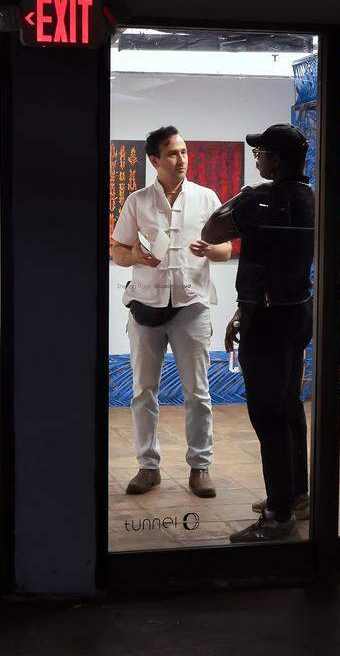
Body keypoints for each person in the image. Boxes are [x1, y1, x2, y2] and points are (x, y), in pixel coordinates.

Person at [201, 123, 315, 542]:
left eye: (261, 154)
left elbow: (212, 230)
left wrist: (247, 195)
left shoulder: (259, 200)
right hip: (294, 312)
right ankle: (297, 495)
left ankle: (279, 515)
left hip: (266, 322)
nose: (257, 159)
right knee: (287, 406)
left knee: (267, 416)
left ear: (277, 161)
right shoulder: (309, 198)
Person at [111, 125, 232, 498]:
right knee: (143, 391)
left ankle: (200, 467)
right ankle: (148, 467)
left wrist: (211, 251)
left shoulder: (207, 198)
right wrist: (134, 255)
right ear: (154, 160)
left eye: (184, 152)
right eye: (173, 154)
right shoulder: (137, 201)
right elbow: (116, 251)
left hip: (192, 307)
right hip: (146, 306)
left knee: (197, 391)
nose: (181, 160)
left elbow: (227, 247)